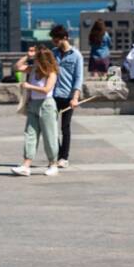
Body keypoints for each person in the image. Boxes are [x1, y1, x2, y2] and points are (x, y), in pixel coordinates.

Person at [12, 46, 60, 175]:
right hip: (33, 104)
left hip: (47, 105)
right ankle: (26, 164)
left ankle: (53, 163)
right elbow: (17, 67)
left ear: (43, 60)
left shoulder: (51, 72)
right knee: (30, 133)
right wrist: (28, 56)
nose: (35, 61)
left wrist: (29, 86)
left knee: (49, 135)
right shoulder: (33, 69)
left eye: (37, 58)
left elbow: (46, 89)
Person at [50, 25, 83, 169]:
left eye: (56, 40)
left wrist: (75, 97)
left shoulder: (76, 55)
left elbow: (78, 78)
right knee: (52, 127)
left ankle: (64, 157)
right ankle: (56, 155)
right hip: (53, 95)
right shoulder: (53, 53)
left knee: (65, 127)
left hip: (68, 96)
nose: (54, 43)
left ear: (65, 38)